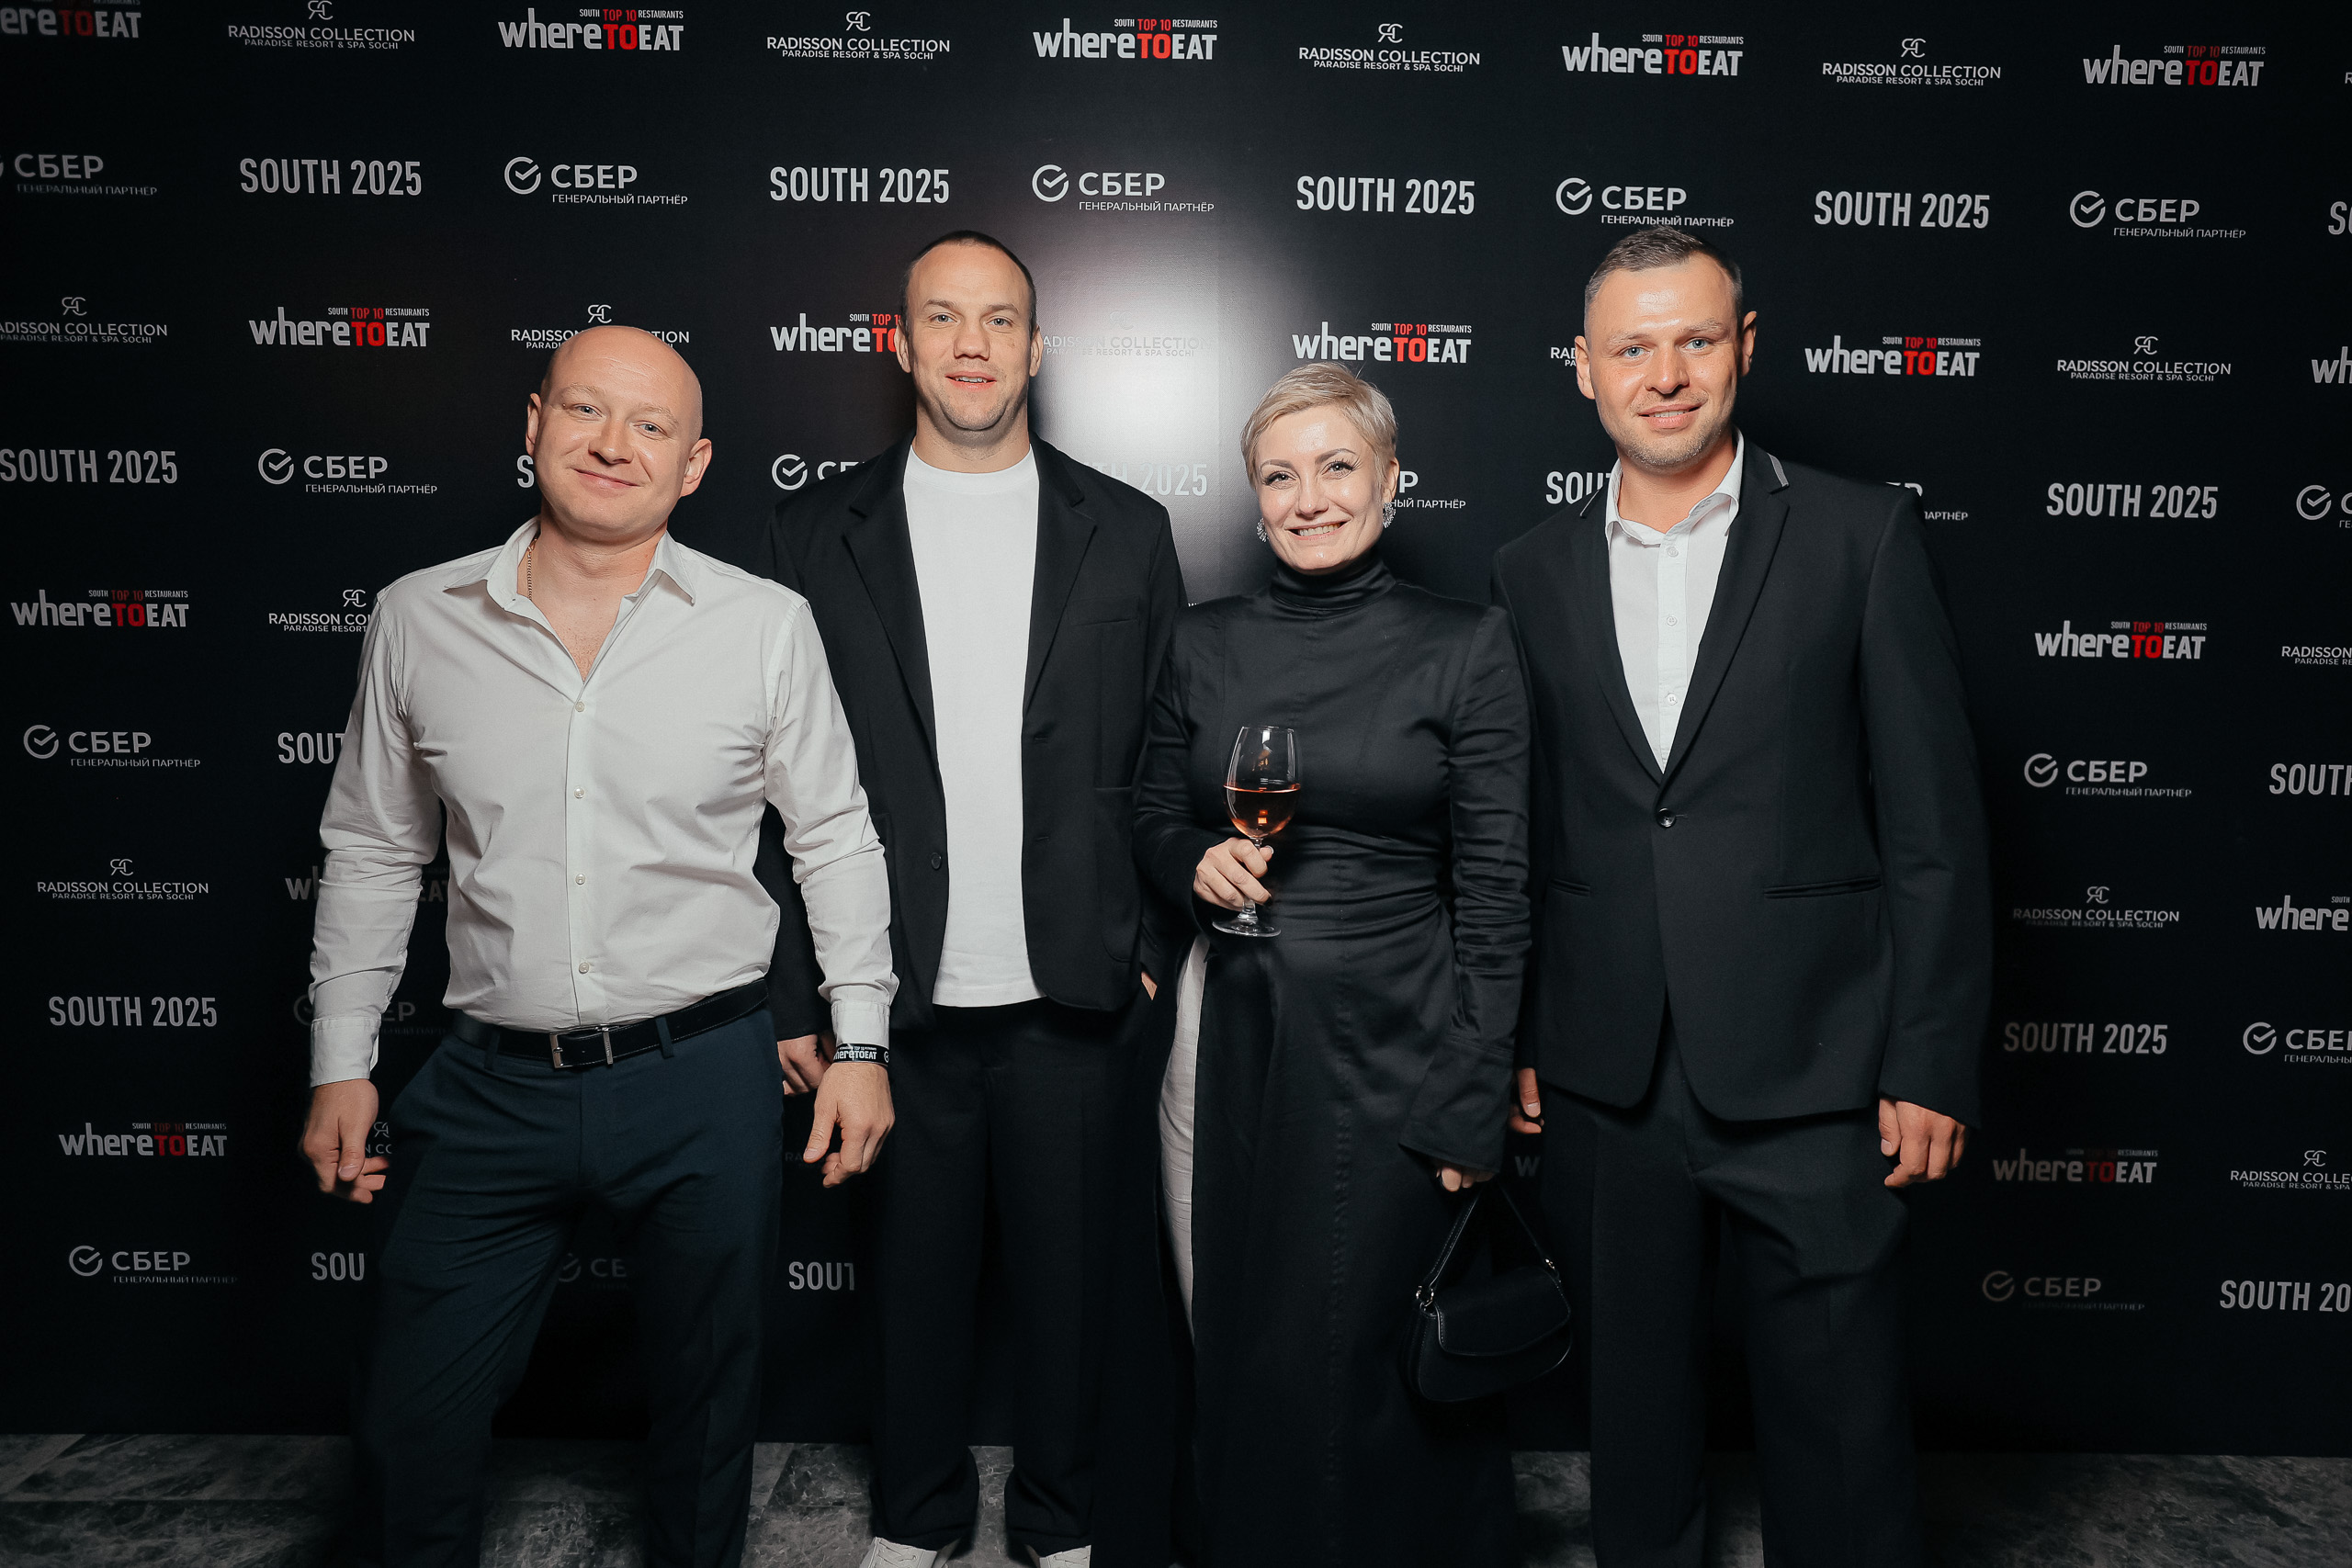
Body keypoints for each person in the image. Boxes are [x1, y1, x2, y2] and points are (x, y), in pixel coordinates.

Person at [298, 325, 898, 1568]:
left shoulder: (764, 625)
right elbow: (373, 848)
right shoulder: (417, 617)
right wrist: (341, 1061)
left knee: (706, 1412)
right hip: (488, 1084)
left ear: (694, 465)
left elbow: (835, 836)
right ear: (534, 423)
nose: (614, 444)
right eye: (585, 410)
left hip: (703, 1077)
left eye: (651, 426)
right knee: (412, 1419)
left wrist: (861, 1044)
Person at [1493, 226, 1990, 1567]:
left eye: (1696, 340)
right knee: (1633, 1418)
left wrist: (1929, 1056)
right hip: (1609, 1067)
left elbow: (1936, 827)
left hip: (1822, 1062)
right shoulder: (1528, 568)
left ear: (1745, 348)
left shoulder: (1861, 533)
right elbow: (1527, 826)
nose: (1665, 374)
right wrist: (1522, 1028)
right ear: (1583, 369)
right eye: (1633, 347)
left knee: (1841, 1423)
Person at [755, 231, 1185, 1568]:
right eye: (942, 318)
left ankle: (1062, 1519)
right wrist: (800, 992)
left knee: (1074, 1289)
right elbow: (769, 780)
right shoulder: (814, 530)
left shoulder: (1129, 527)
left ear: (1037, 348)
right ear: (901, 345)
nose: (972, 344)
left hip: (1077, 983)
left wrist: (1151, 942)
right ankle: (915, 1516)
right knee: (908, 1285)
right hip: (889, 993)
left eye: (999, 319)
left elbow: (1169, 750)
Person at [1127, 363, 1531, 1563]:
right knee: (1240, 1327)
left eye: (1337, 467)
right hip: (1231, 1034)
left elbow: (1498, 890)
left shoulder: (1468, 645)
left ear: (1391, 481)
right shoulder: (1202, 642)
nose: (1309, 499)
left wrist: (1475, 1091)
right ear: (1255, 502)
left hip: (1402, 1038)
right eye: (1280, 476)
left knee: (1370, 1345)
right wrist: (1194, 859)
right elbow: (1150, 813)